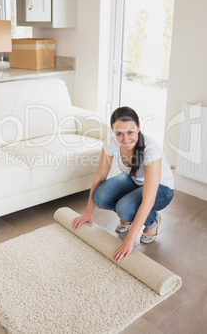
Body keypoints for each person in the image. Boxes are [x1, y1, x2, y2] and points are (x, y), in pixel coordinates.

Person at [72, 106, 174, 263]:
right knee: (100, 196)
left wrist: (130, 238)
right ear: (113, 131)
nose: (125, 140)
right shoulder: (111, 143)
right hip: (132, 180)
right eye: (119, 133)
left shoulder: (151, 150)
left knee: (124, 209)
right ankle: (128, 213)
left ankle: (152, 221)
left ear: (139, 127)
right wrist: (88, 212)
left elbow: (148, 199)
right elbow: (100, 177)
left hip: (161, 189)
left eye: (130, 132)